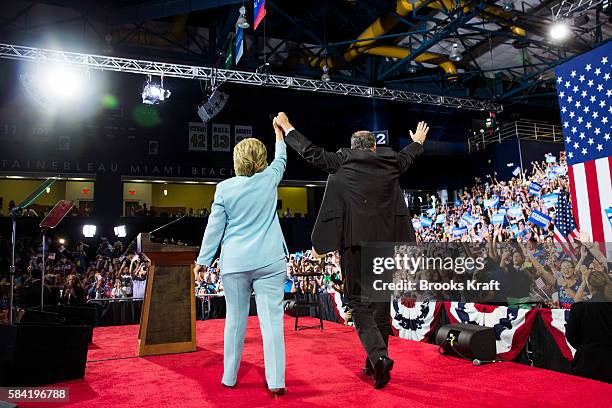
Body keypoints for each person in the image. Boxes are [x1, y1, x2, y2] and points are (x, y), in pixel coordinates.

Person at [275, 112, 427, 389]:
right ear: (372, 147)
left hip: (355, 245)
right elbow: (407, 158)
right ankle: (374, 364)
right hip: (384, 247)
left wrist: (287, 127)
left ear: (354, 147)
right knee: (380, 308)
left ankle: (379, 358)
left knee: (358, 305)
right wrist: (417, 142)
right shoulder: (389, 162)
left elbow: (311, 152)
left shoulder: (341, 160)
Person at [194, 118, 288, 396]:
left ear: (237, 160)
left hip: (234, 264)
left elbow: (214, 227)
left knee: (235, 321)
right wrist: (278, 134)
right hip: (270, 262)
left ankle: (229, 377)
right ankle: (276, 382)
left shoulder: (224, 188)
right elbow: (282, 157)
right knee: (271, 322)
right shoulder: (271, 178)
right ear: (262, 159)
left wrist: (203, 260)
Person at [566, 269, 612, 383]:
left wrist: (586, 347)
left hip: (586, 364)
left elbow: (571, 337)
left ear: (589, 286)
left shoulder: (579, 308)